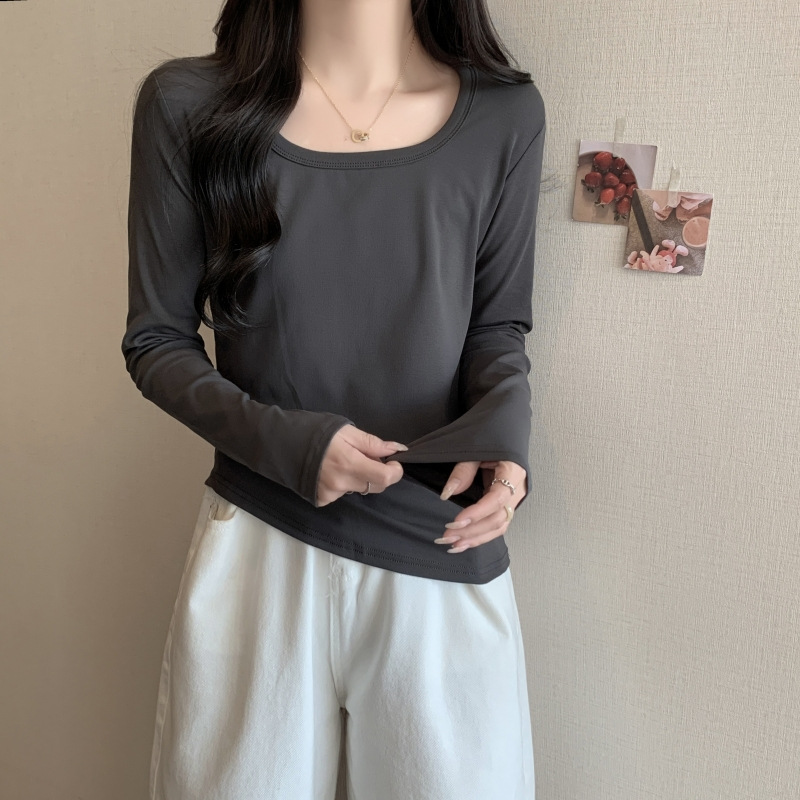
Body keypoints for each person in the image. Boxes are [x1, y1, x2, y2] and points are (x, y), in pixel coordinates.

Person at [123, 0, 546, 797]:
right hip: (261, 539)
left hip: (443, 539)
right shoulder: (189, 106)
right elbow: (156, 342)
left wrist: (507, 445)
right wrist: (289, 445)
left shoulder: (505, 114)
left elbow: (498, 326)